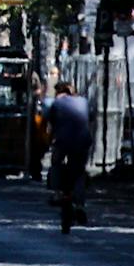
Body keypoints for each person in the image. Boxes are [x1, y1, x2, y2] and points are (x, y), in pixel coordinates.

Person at [47, 80, 91, 223]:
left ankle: (57, 192)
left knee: (55, 162)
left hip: (63, 142)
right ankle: (80, 204)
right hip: (82, 142)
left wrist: (50, 142)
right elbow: (88, 119)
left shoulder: (57, 103)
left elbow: (51, 126)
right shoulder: (83, 101)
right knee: (79, 172)